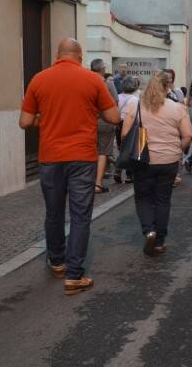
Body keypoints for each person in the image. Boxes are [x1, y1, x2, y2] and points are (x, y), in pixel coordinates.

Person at [19, 38, 120, 295]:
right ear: (80, 56)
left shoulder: (39, 79)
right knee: (80, 215)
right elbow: (114, 117)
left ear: (57, 55)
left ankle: (57, 261)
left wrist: (44, 119)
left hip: (50, 157)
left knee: (53, 213)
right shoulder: (93, 80)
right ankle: (74, 275)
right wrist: (92, 110)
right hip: (83, 158)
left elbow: (24, 121)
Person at [122, 72, 192, 255]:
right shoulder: (177, 107)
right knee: (163, 200)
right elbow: (188, 135)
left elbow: (124, 134)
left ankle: (149, 230)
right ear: (167, 88)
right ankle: (160, 242)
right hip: (169, 161)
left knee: (143, 197)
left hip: (143, 159)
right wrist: (178, 149)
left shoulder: (135, 105)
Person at [91, 59, 119, 194]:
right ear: (102, 69)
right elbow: (115, 103)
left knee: (91, 151)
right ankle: (97, 184)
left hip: (89, 121)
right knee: (103, 152)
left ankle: (88, 180)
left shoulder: (87, 81)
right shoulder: (108, 84)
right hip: (105, 121)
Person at [114, 76, 140, 184]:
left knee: (121, 149)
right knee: (130, 149)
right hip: (130, 125)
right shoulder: (135, 99)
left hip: (119, 125)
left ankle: (118, 170)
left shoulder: (118, 97)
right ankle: (129, 175)